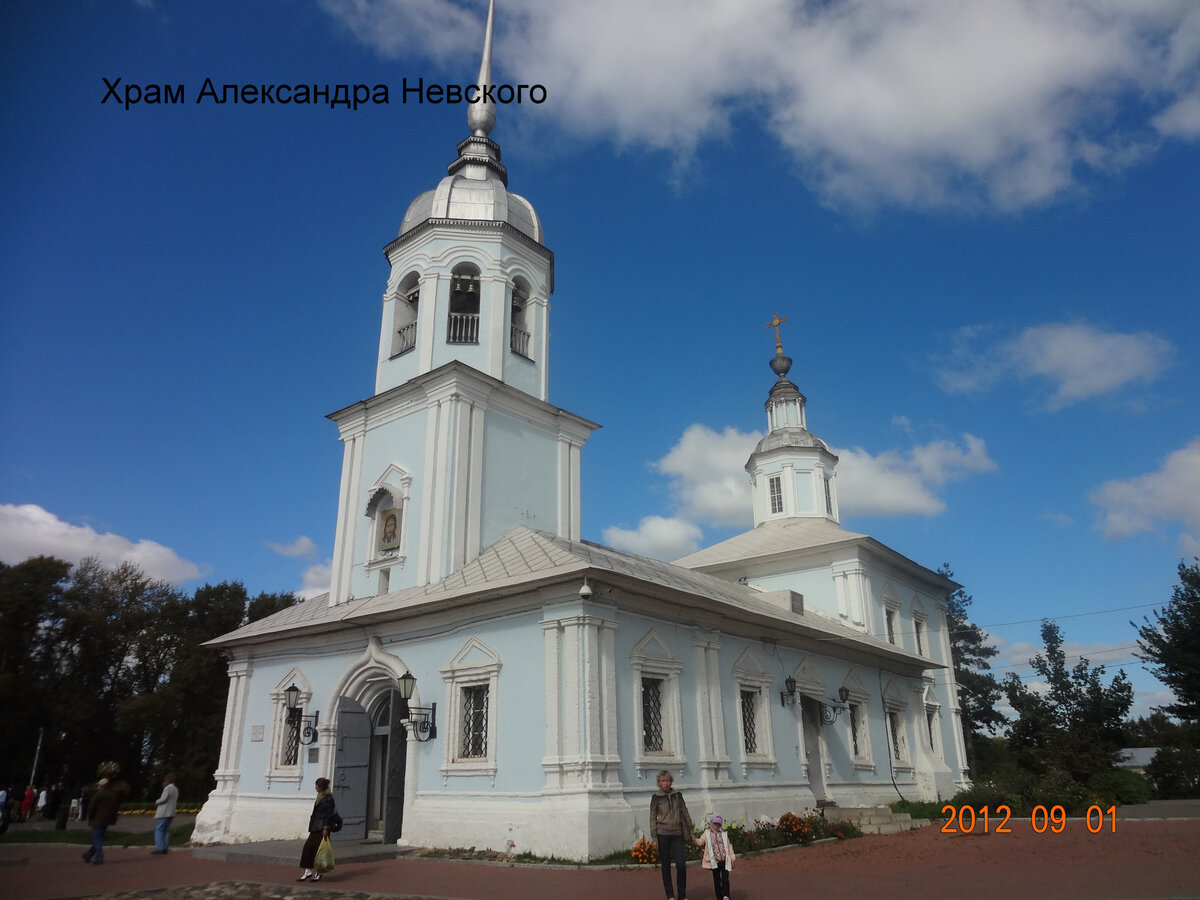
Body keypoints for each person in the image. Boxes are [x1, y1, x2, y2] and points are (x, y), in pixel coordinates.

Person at [649, 769, 695, 900]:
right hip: (662, 834)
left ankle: (682, 895)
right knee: (666, 866)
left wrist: (691, 831)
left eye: (667, 780)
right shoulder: (656, 798)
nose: (665, 783)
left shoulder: (677, 795)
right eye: (662, 781)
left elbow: (685, 813)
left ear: (671, 782)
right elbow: (652, 818)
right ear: (659, 783)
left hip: (677, 834)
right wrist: (654, 837)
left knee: (681, 864)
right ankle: (670, 895)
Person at [298, 776, 337, 882]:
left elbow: (329, 814)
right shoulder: (320, 796)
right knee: (308, 848)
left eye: (317, 786)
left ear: (321, 787)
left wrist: (326, 827)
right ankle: (308, 871)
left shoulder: (328, 798)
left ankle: (319, 872)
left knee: (319, 851)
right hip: (315, 827)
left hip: (322, 828)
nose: (315, 787)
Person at [696, 814, 735, 900]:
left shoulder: (724, 834)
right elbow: (700, 842)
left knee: (725, 879)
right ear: (711, 823)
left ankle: (726, 895)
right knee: (717, 880)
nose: (716, 826)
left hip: (724, 860)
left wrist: (732, 858)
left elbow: (729, 846)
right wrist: (693, 839)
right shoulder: (707, 834)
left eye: (718, 824)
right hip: (715, 861)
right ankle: (719, 896)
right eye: (715, 824)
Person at [82, 778, 118, 865]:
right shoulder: (113, 795)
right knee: (98, 838)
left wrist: (90, 817)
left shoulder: (98, 795)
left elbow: (92, 807)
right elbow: (114, 808)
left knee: (96, 838)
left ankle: (99, 858)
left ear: (101, 786)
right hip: (107, 820)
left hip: (98, 819)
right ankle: (88, 855)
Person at [151, 773, 179, 854]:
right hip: (171, 812)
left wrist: (157, 801)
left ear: (168, 780)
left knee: (159, 830)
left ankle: (159, 848)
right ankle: (165, 847)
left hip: (164, 812)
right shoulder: (175, 789)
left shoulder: (167, 788)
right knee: (166, 830)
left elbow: (163, 799)